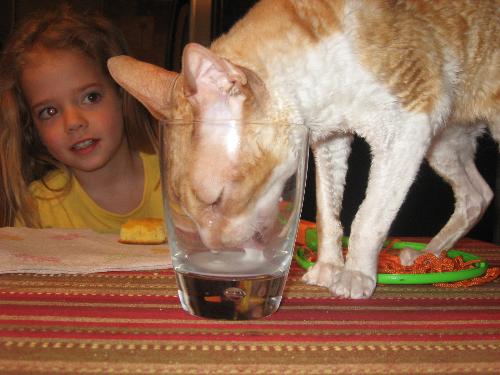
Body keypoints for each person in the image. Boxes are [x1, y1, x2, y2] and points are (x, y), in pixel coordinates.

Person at [0, 6, 164, 233]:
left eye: (90, 97)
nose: (73, 122)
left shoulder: (178, 181)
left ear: (121, 93)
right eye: (49, 112)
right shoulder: (39, 212)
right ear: (33, 129)